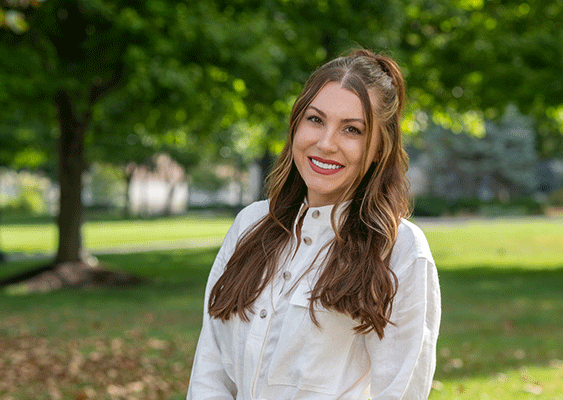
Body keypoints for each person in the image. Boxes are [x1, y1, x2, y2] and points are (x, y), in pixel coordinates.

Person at [187, 49, 441, 400]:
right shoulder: (250, 224)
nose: (326, 143)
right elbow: (209, 371)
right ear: (296, 124)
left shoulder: (400, 250)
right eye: (316, 120)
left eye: (352, 129)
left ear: (380, 147)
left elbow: (400, 392)